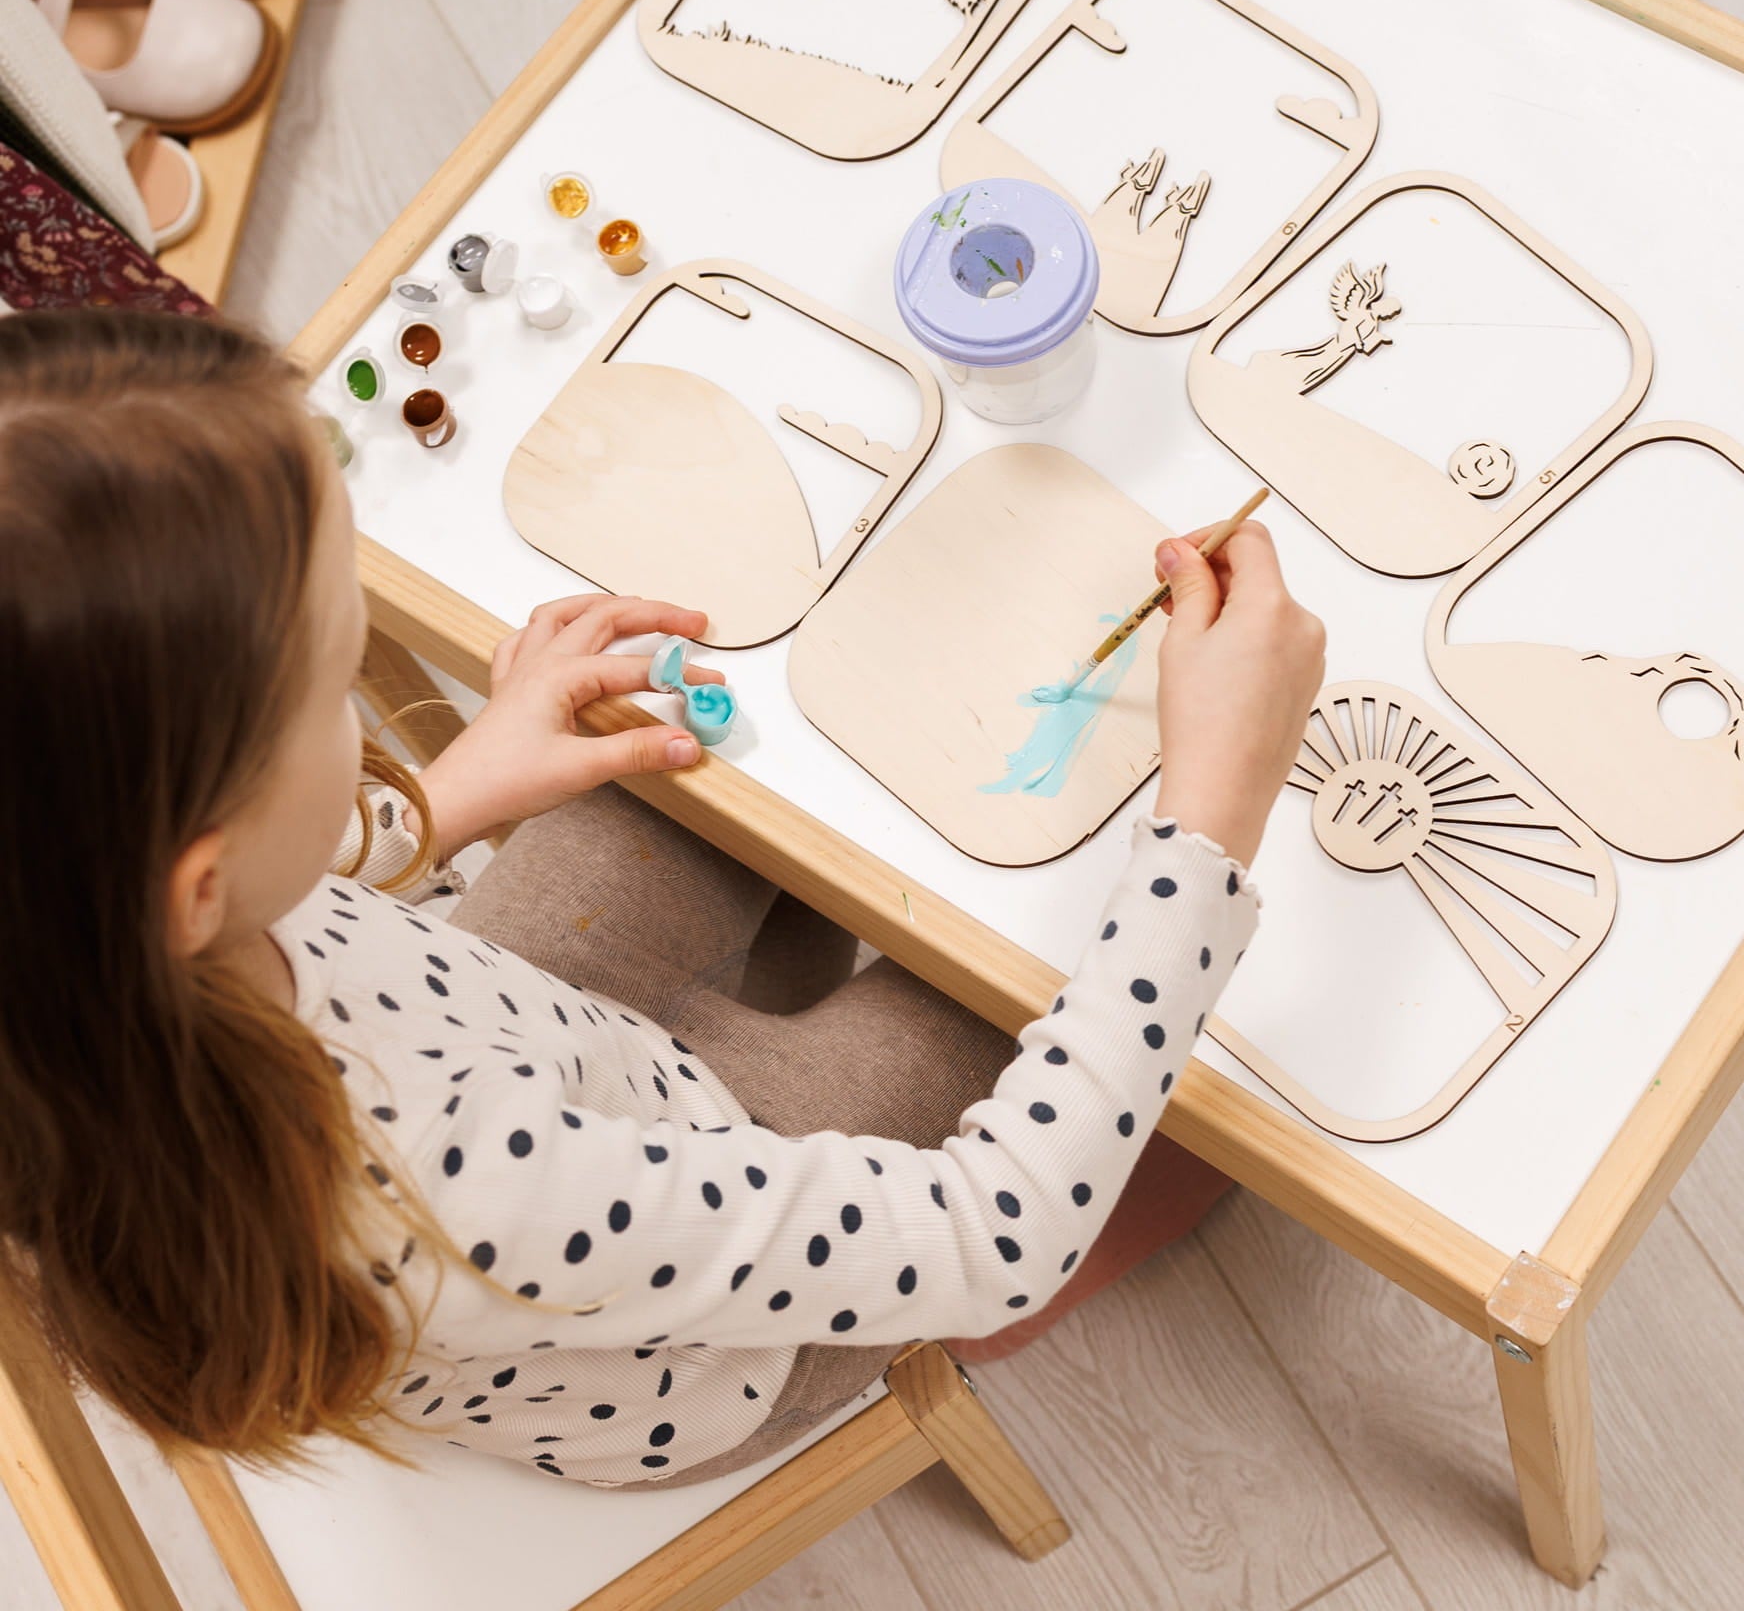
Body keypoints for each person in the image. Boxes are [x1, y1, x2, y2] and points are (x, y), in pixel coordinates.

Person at [0, 309, 1323, 1487]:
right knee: (1106, 1027)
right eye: (329, 682)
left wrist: (445, 801)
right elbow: (997, 1230)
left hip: (536, 1047)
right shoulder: (438, 1192)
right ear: (196, 876)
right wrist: (1213, 814)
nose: (360, 722)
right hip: (711, 1348)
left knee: (691, 767)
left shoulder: (65, 922)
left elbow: (303, 893)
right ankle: (968, 1309)